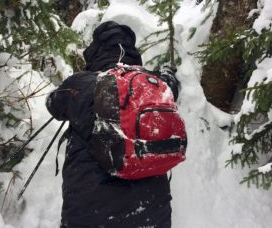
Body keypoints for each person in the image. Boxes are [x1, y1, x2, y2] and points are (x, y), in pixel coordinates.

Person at [46, 21, 179, 228]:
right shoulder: (155, 83)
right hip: (153, 213)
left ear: (95, 52)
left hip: (89, 213)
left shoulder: (81, 83)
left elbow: (53, 106)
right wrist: (167, 74)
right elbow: (173, 87)